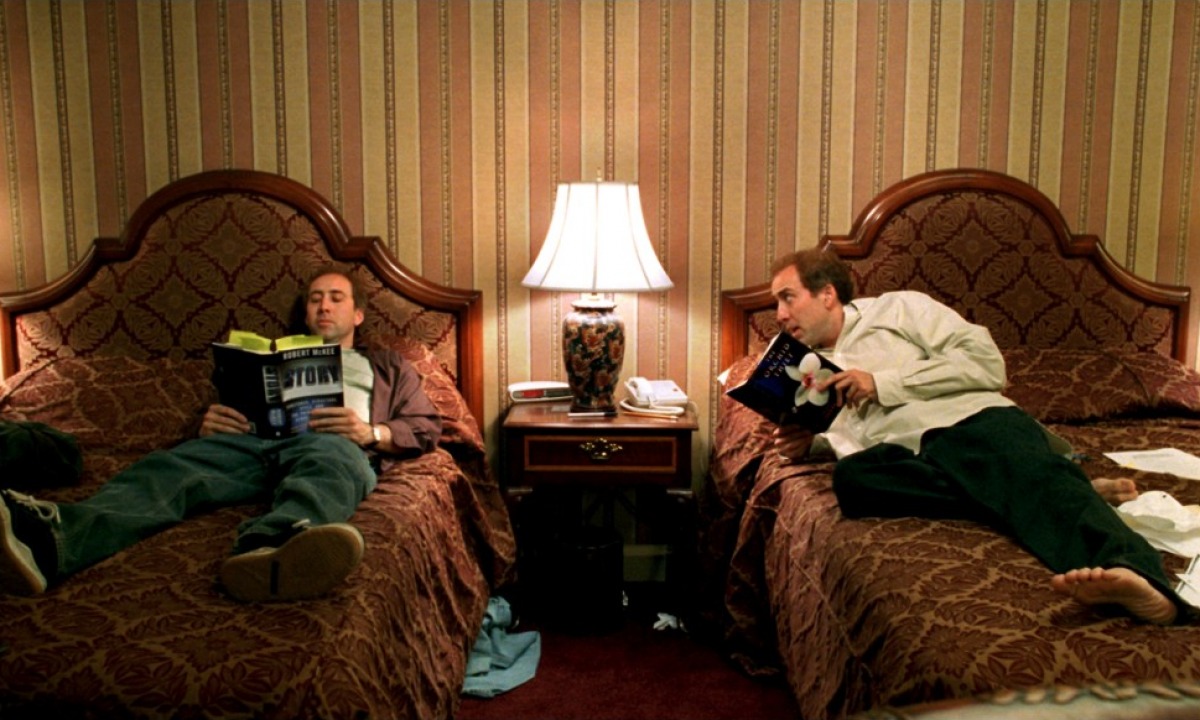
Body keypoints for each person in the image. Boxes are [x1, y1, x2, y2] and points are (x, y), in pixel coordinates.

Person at [768, 248, 1190, 625]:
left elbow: (987, 362)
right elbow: (847, 434)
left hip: (971, 423)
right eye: (775, 304)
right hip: (908, 457)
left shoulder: (897, 310)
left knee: (994, 460)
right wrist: (812, 444)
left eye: (788, 298)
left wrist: (882, 382)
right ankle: (1055, 478)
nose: (780, 315)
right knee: (852, 481)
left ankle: (1143, 578)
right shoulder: (802, 367)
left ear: (827, 294)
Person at [0, 268, 441, 602]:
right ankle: (53, 542)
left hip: (333, 444)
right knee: (169, 468)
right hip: (250, 443)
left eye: (336, 298)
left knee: (332, 464)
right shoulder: (270, 358)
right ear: (305, 312)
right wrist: (208, 423)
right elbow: (220, 412)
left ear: (357, 314)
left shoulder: (386, 365)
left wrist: (371, 432)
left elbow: (426, 425)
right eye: (314, 299)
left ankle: (271, 548)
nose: (324, 306)